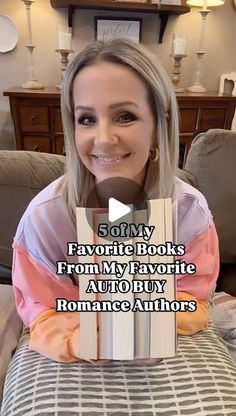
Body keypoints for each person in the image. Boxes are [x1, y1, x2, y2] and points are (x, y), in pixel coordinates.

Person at [12, 38, 219, 363]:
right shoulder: (45, 218)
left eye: (125, 116)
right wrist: (89, 338)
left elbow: (193, 295)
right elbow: (42, 310)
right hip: (79, 366)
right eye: (87, 119)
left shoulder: (187, 210)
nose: (104, 139)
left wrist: (153, 322)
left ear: (158, 125)